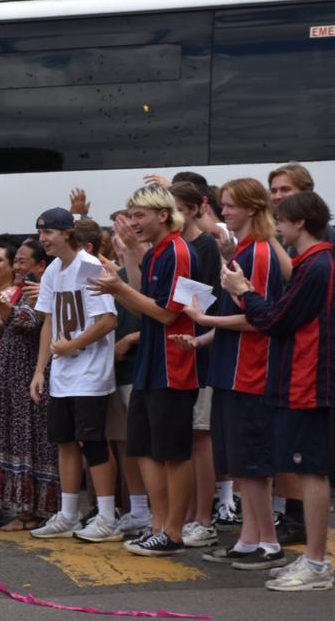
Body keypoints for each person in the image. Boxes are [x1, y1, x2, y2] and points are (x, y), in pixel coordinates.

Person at [226, 191, 334, 591]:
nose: (278, 229)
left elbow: (275, 319)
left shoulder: (317, 264)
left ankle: (317, 565)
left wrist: (244, 291)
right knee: (308, 469)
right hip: (304, 377)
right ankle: (314, 561)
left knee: (311, 470)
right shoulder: (315, 262)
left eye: (282, 221)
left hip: (310, 379)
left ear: (299, 223)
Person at [182, 178, 287, 570]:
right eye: (223, 204)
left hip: (250, 370)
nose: (224, 212)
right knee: (242, 462)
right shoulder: (245, 248)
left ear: (253, 209)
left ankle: (269, 543)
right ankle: (249, 537)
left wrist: (205, 320)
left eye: (231, 206)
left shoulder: (258, 252)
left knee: (253, 463)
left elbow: (259, 318)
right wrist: (205, 338)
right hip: (231, 367)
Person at [89, 185, 200, 557]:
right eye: (130, 215)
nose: (133, 222)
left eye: (140, 215)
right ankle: (158, 526)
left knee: (172, 452)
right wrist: (119, 281)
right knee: (144, 448)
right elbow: (145, 307)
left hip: (173, 366)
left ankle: (174, 532)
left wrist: (120, 286)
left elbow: (170, 313)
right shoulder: (156, 254)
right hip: (151, 365)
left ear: (163, 215)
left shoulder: (180, 252)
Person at [27, 208, 120, 542]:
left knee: (93, 443)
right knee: (64, 442)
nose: (43, 239)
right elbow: (48, 320)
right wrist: (40, 370)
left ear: (67, 232)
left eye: (48, 232)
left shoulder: (91, 266)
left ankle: (107, 516)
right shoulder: (53, 269)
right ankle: (68, 514)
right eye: (40, 232)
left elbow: (108, 320)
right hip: (62, 372)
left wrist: (72, 346)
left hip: (91, 370)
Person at [0, 238, 59, 530]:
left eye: (23, 261)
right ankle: (23, 509)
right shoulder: (21, 290)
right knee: (14, 441)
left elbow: (30, 323)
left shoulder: (43, 291)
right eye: (16, 261)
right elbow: (12, 327)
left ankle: (34, 511)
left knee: (32, 443)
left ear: (41, 265)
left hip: (30, 376)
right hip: (12, 378)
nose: (17, 266)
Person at [169, 181, 225, 547]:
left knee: (201, 437)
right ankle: (188, 515)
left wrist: (199, 338)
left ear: (192, 209)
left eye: (172, 208)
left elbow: (205, 304)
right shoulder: (177, 246)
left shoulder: (204, 246)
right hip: (180, 349)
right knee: (186, 438)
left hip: (201, 350)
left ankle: (204, 519)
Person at [107, 211, 153, 538]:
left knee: (144, 446)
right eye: (116, 233)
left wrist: (131, 339)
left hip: (139, 367)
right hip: (115, 371)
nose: (118, 238)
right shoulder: (114, 275)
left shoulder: (145, 271)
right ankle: (137, 509)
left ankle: (154, 512)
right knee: (125, 445)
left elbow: (158, 314)